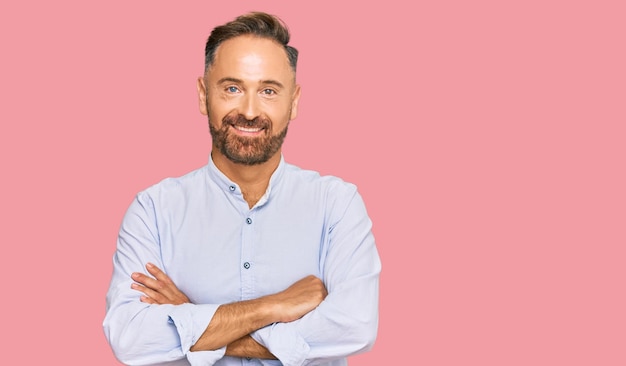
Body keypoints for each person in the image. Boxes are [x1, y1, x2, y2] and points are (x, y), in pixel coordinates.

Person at [103, 11, 381, 366]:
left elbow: (355, 327)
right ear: (204, 95)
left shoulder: (337, 204)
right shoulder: (154, 210)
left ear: (293, 101)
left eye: (268, 90)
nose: (249, 111)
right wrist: (272, 306)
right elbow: (130, 338)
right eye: (232, 88)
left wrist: (191, 318)